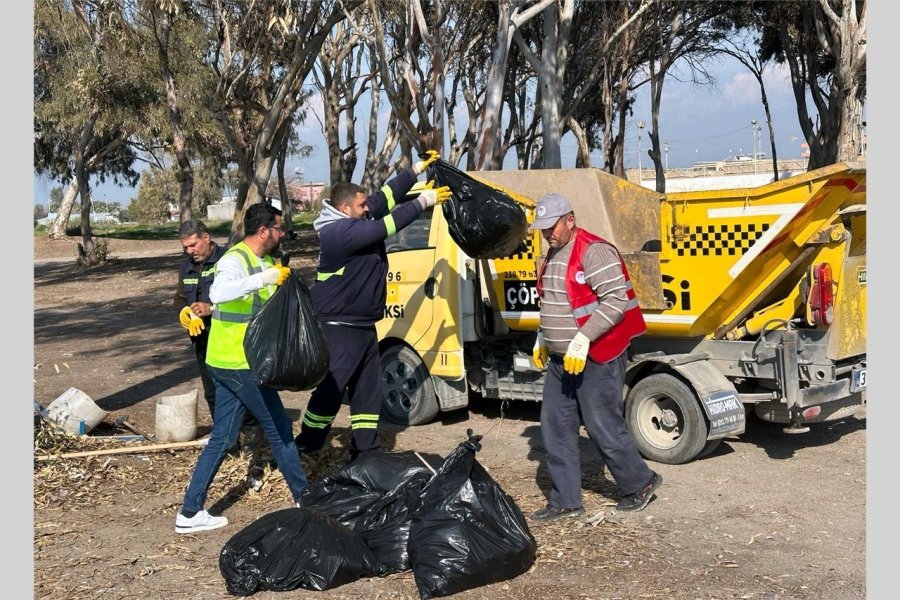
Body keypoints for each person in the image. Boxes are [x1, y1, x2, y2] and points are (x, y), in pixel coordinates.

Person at [294, 151, 450, 461]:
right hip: (338, 324)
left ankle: (366, 451)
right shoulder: (337, 232)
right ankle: (307, 443)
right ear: (344, 208)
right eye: (361, 206)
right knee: (332, 389)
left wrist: (417, 168)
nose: (368, 209)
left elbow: (386, 197)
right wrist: (424, 202)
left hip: (363, 324)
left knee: (368, 391)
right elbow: (386, 227)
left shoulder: (357, 215)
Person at [529, 193, 662, 522]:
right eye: (543, 229)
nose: (548, 234)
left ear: (570, 221)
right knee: (555, 428)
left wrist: (582, 339)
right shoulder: (551, 256)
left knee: (603, 426)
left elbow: (615, 301)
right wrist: (543, 337)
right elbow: (553, 302)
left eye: (552, 227)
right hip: (562, 362)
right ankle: (566, 500)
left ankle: (640, 484)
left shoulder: (594, 251)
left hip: (597, 355)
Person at [175, 203, 306, 534]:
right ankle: (307, 500)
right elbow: (218, 292)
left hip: (226, 361)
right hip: (240, 364)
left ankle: (190, 513)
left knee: (222, 436)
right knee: (279, 430)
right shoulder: (235, 260)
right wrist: (266, 277)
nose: (281, 234)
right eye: (278, 229)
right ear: (264, 231)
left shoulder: (264, 261)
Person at [174, 220, 264, 480]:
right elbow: (180, 296)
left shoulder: (229, 259)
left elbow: (244, 295)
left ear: (206, 237)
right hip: (202, 339)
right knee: (212, 392)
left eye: (193, 244)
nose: (190, 251)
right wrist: (183, 311)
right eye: (185, 247)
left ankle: (253, 439)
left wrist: (211, 308)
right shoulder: (187, 266)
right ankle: (227, 440)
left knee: (242, 389)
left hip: (229, 338)